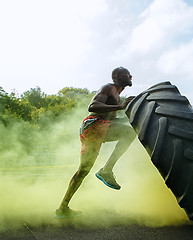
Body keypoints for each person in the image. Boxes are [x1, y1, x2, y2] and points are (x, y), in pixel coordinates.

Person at [55, 67, 136, 218]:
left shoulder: (116, 97)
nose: (130, 76)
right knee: (129, 133)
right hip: (93, 125)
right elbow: (92, 107)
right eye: (127, 74)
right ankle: (106, 170)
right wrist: (120, 106)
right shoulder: (109, 88)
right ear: (117, 76)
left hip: (95, 130)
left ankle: (62, 208)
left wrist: (132, 114)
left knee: (83, 171)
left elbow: (112, 121)